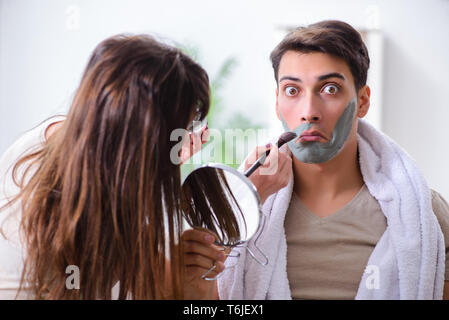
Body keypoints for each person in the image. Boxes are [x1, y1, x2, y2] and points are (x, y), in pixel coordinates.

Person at [0, 34, 292, 300]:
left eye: (188, 127)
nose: (185, 143)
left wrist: (189, 280)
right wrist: (246, 197)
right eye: (178, 131)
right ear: (141, 144)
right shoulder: (29, 218)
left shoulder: (85, 144)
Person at [217, 20, 449, 300]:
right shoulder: (237, 208)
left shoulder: (425, 214)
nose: (309, 112)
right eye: (292, 90)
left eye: (330, 89)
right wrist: (245, 202)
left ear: (362, 101)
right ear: (277, 102)